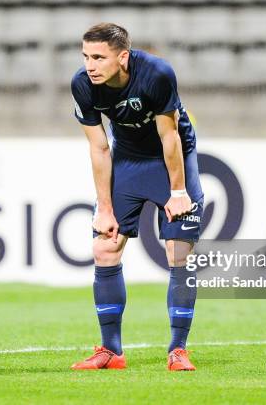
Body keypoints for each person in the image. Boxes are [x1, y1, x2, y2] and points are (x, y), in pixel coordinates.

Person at [70, 23, 203, 371]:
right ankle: (112, 351)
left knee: (178, 252)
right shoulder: (83, 85)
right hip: (128, 160)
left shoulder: (157, 74)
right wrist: (105, 208)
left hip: (170, 159)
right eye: (86, 56)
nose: (90, 65)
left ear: (123, 57)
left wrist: (177, 192)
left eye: (99, 57)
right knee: (105, 246)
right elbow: (99, 148)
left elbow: (170, 136)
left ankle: (178, 350)